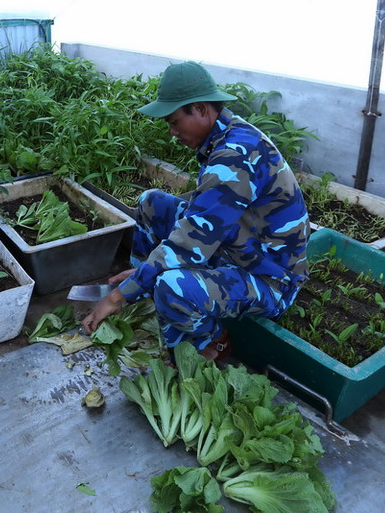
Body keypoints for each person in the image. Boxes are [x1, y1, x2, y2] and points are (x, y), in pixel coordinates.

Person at [81, 61, 309, 361]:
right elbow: (199, 223)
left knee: (172, 287)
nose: (172, 132)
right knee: (152, 203)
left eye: (175, 122)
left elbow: (192, 242)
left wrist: (115, 296)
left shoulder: (234, 157)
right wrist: (144, 275)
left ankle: (213, 341)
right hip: (238, 247)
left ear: (201, 109)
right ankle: (146, 293)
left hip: (268, 278)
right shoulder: (226, 134)